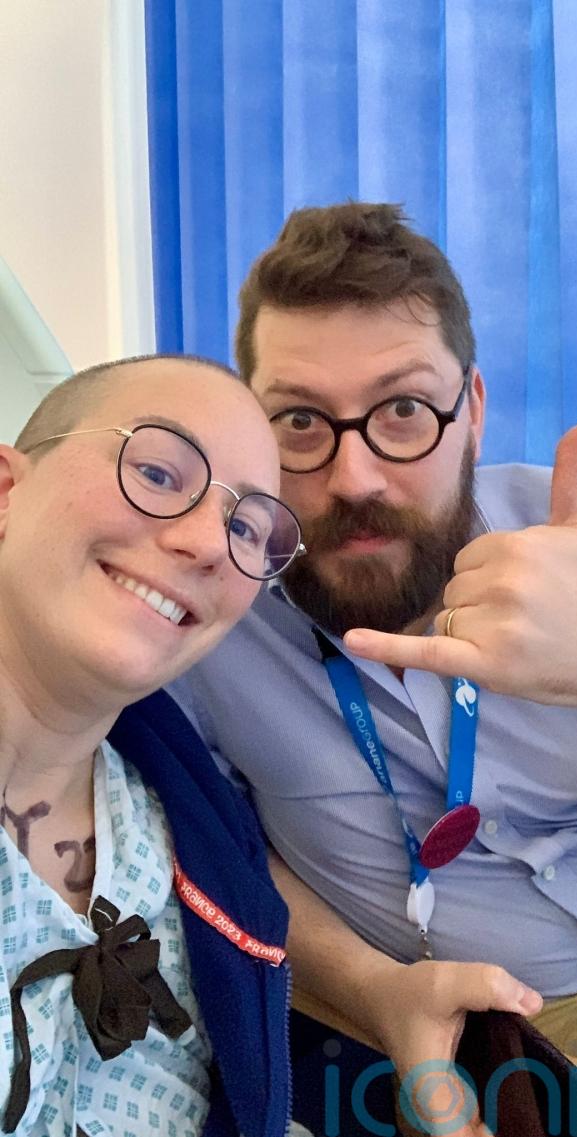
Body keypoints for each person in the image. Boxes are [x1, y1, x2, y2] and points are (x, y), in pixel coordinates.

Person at [170, 203, 577, 1107]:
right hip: (493, 1040)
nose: (355, 477)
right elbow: (224, 855)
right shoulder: (207, 617)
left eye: (403, 410)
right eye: (299, 420)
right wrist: (374, 990)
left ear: (473, 411)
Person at [0, 353, 310, 1137]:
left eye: (246, 528)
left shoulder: (197, 842)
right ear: (6, 491)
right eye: (160, 473)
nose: (209, 543)